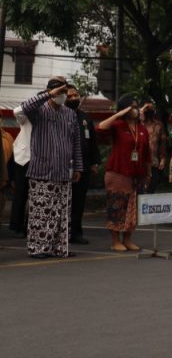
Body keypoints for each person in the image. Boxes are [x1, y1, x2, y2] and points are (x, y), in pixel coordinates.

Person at [19, 77, 84, 258]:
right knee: (41, 213)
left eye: (64, 92)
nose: (62, 96)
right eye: (59, 92)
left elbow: (76, 143)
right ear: (50, 92)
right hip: (42, 171)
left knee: (61, 213)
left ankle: (59, 247)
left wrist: (78, 167)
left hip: (63, 171)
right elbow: (24, 107)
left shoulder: (70, 114)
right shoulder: (38, 110)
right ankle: (38, 248)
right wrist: (48, 95)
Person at [97, 95, 151, 252]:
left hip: (137, 174)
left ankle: (127, 239)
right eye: (132, 107)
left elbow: (147, 153)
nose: (135, 109)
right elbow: (100, 128)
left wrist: (148, 173)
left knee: (132, 208)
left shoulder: (141, 129)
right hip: (118, 172)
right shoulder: (118, 125)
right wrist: (118, 114)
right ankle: (115, 241)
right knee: (117, 206)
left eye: (136, 106)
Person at [67, 86, 101, 244]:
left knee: (79, 201)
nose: (74, 98)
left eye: (76, 95)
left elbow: (93, 142)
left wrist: (95, 162)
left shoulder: (85, 117)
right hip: (65, 166)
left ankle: (76, 233)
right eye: (70, 95)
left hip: (84, 166)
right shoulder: (60, 116)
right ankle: (62, 233)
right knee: (65, 201)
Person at [8, 103, 31, 237]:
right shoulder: (27, 115)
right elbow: (17, 111)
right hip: (23, 159)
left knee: (36, 197)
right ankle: (16, 226)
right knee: (20, 194)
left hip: (41, 161)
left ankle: (30, 226)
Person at [142, 103, 168, 193]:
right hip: (140, 162)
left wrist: (163, 158)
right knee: (139, 189)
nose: (149, 111)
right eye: (147, 109)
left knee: (152, 187)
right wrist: (142, 109)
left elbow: (163, 143)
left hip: (154, 161)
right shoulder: (139, 124)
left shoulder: (158, 125)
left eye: (151, 109)